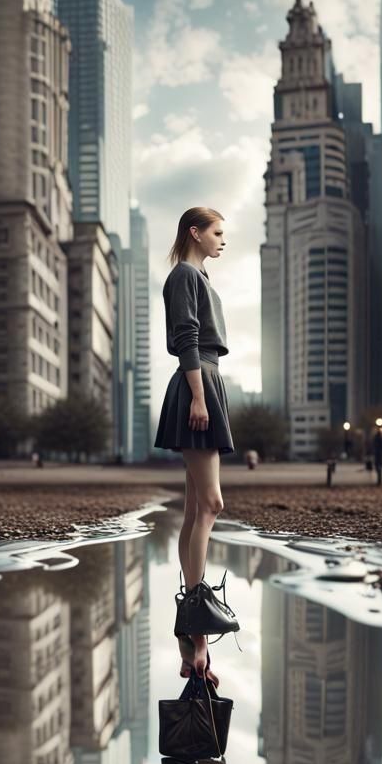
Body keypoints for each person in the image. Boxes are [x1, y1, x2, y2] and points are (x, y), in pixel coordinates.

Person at [154, 207, 235, 679]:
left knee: (194, 511)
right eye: (217, 232)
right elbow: (186, 337)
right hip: (197, 382)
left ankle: (192, 631)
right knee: (211, 504)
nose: (222, 240)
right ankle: (196, 623)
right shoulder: (184, 274)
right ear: (195, 232)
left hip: (205, 380)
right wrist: (200, 397)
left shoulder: (197, 275)